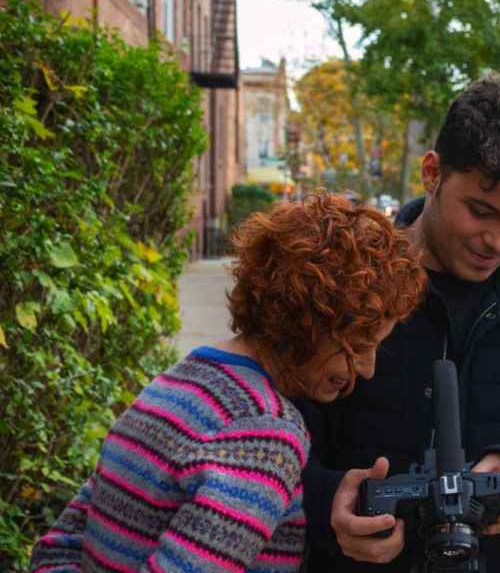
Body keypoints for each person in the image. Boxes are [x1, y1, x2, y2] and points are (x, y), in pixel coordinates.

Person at [299, 74, 500, 572]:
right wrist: (332, 506)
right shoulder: (341, 287)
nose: (498, 241)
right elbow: (280, 447)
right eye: (481, 212)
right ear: (432, 173)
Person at [30, 193, 426, 572]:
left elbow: (57, 549)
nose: (368, 369)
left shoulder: (179, 381)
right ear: (306, 322)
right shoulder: (264, 436)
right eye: (357, 346)